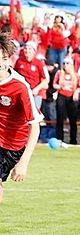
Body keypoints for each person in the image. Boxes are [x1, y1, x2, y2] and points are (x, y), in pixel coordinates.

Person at [0, 32, 41, 205]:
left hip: (11, 145)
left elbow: (35, 126)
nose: (1, 63)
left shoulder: (19, 86)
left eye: (4, 58)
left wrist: (24, 162)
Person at [53, 59, 79, 144]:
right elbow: (54, 84)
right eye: (64, 63)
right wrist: (61, 86)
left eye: (67, 63)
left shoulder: (75, 75)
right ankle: (59, 138)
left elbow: (79, 86)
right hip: (62, 96)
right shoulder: (59, 73)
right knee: (60, 118)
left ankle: (73, 139)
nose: (65, 65)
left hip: (71, 97)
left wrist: (76, 93)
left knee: (73, 119)